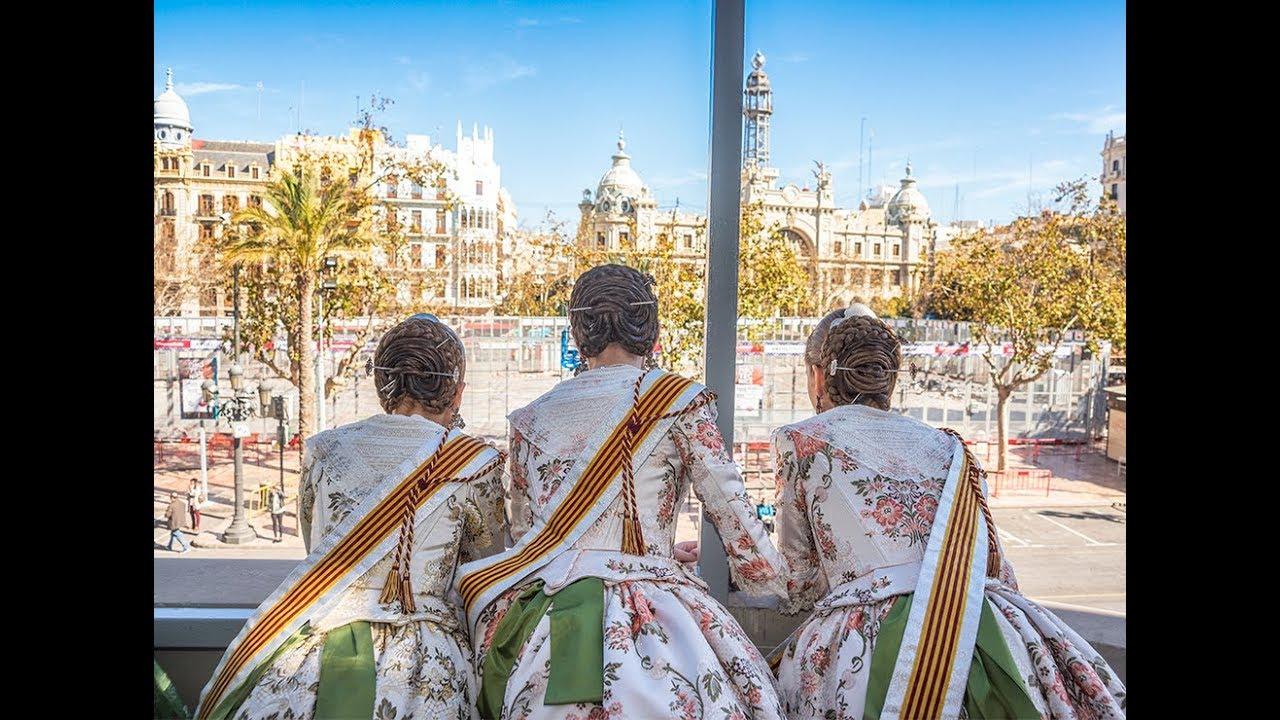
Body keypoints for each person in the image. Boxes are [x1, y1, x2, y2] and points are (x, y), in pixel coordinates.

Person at [459, 264, 789, 720]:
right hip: (652, 611)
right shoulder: (678, 401)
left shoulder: (530, 418)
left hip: (553, 618)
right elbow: (733, 513)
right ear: (650, 328)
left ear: (578, 333)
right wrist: (773, 580)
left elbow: (527, 537)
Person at [772, 306, 1126, 719]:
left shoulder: (799, 440)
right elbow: (995, 566)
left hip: (865, 640)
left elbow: (797, 581)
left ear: (818, 374)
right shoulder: (951, 447)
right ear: (890, 379)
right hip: (980, 622)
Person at [195, 315, 507, 720]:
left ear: (381, 385)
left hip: (318, 640)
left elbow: (319, 549)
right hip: (425, 657)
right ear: (456, 391)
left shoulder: (325, 450)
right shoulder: (473, 462)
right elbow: (486, 566)